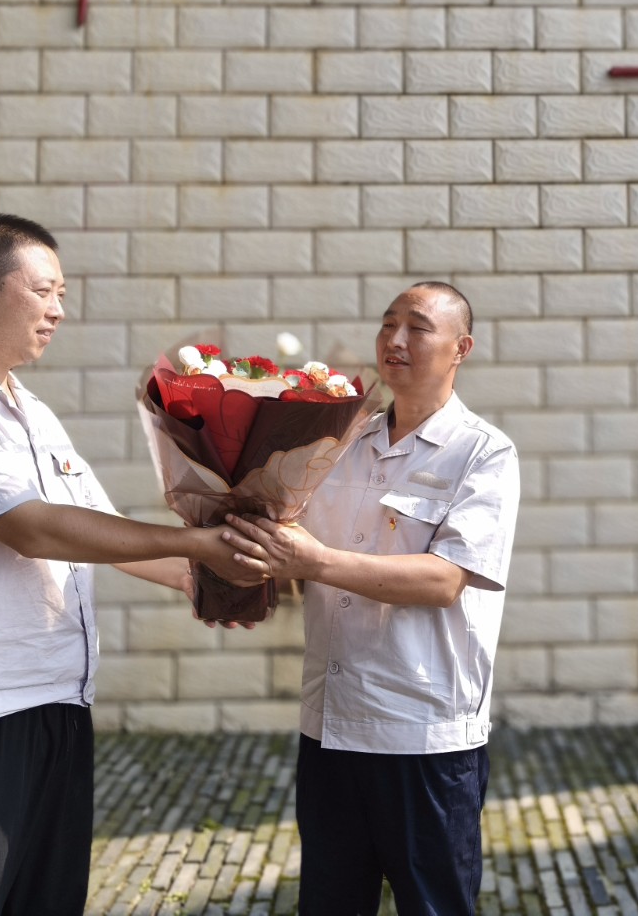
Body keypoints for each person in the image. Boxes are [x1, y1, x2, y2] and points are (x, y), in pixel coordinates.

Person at [0, 213, 262, 916]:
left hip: (59, 705)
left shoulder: (35, 415)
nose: (57, 310)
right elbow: (34, 528)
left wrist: (210, 578)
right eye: (43, 290)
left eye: (63, 295)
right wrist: (199, 546)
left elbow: (100, 531)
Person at [225, 281, 521, 916]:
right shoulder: (340, 440)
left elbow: (445, 580)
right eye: (388, 324)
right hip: (331, 726)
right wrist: (241, 568)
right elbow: (295, 553)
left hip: (422, 735)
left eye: (418, 327)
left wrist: (313, 561)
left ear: (461, 348)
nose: (396, 339)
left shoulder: (483, 452)